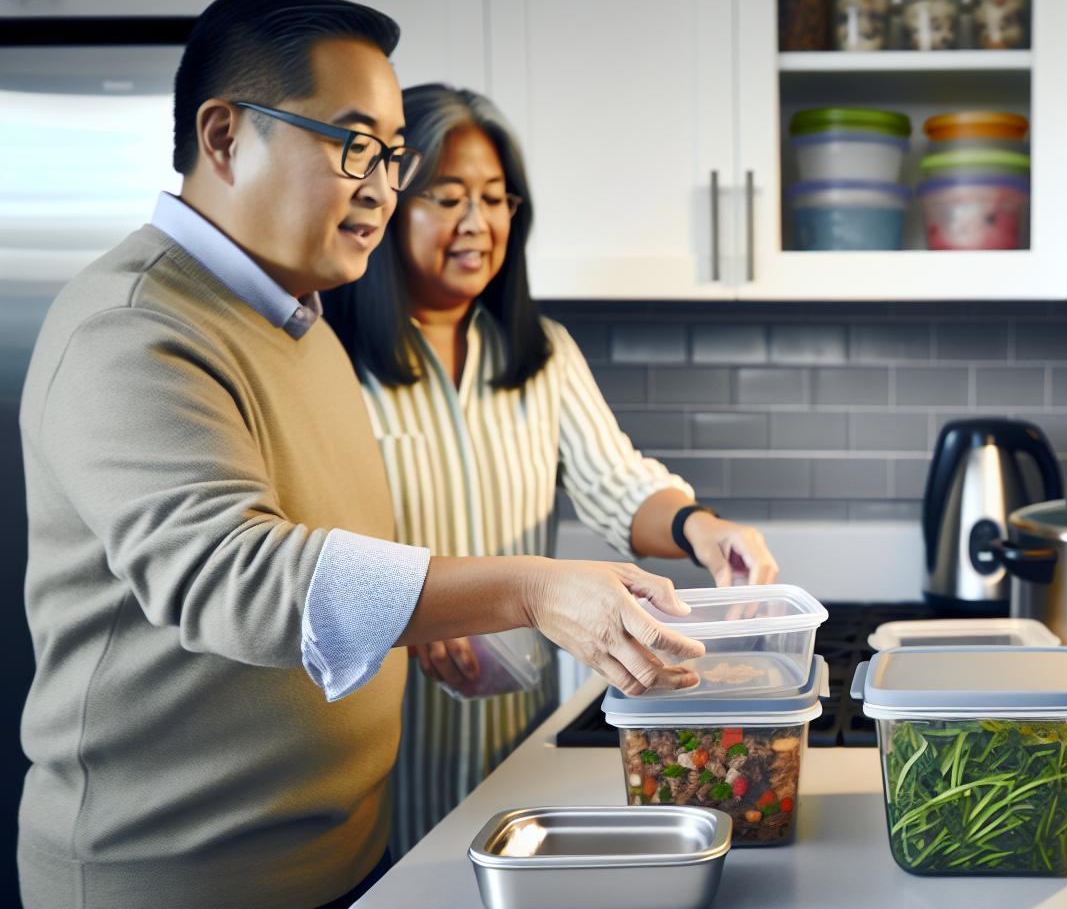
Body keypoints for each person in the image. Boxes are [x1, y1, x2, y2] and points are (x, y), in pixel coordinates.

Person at [17, 0, 703, 909]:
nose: (380, 185)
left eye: (391, 156)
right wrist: (528, 585)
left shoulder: (297, 325)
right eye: (353, 146)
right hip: (182, 904)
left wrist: (422, 633)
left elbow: (332, 563)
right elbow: (236, 577)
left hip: (336, 861)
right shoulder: (133, 327)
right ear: (224, 137)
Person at [321, 84, 779, 853]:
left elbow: (617, 482)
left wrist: (702, 528)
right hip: (375, 745)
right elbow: (311, 544)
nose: (478, 223)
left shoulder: (540, 355)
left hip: (512, 730)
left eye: (497, 199)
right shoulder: (329, 359)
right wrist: (408, 608)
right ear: (390, 202)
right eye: (448, 197)